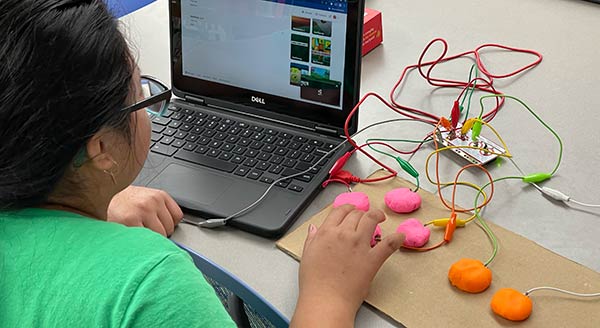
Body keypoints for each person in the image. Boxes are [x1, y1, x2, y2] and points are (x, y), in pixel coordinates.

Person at [0, 0, 405, 326]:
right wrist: (327, 296)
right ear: (101, 150)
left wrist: (98, 207)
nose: (152, 109)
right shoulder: (151, 284)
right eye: (142, 95)